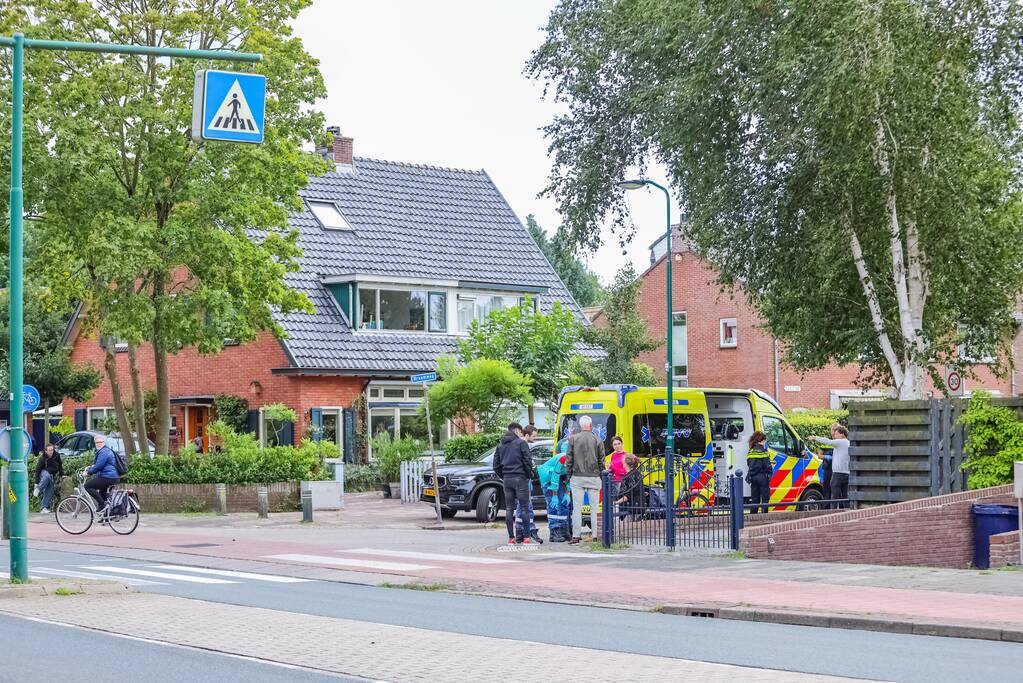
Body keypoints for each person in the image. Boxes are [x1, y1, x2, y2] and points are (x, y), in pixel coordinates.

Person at [565, 415, 605, 544]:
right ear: (591, 425)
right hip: (594, 477)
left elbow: (569, 459)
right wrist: (601, 475)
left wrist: (569, 475)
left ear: (581, 426)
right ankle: (595, 536)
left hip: (577, 477)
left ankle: (576, 536)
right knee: (594, 508)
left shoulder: (573, 439)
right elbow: (601, 461)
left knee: (577, 508)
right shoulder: (598, 440)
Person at [493, 422, 534, 545]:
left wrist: (504, 475)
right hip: (520, 478)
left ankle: (511, 538)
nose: (521, 434)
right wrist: (528, 474)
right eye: (520, 432)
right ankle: (526, 537)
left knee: (509, 509)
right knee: (524, 508)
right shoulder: (521, 443)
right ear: (516, 430)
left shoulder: (500, 446)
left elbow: (495, 465)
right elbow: (527, 461)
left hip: (507, 479)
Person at [513, 424, 543, 545]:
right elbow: (527, 462)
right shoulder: (523, 445)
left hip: (519, 478)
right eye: (533, 436)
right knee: (527, 506)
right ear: (526, 435)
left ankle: (519, 532)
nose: (534, 439)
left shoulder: (516, 444)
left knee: (520, 506)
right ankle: (530, 530)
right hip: (524, 479)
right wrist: (530, 472)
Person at [811, 424, 850, 508]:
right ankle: (847, 512)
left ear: (842, 434)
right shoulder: (848, 443)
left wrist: (815, 438)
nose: (834, 437)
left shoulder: (840, 442)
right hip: (847, 473)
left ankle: (833, 512)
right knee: (845, 496)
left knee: (834, 496)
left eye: (836, 434)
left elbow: (828, 441)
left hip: (837, 474)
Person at [538, 445, 570, 542]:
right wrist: (554, 496)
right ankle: (554, 532)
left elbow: (569, 477)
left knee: (564, 504)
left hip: (559, 477)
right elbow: (554, 477)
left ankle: (563, 530)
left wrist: (567, 493)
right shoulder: (563, 458)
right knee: (553, 505)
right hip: (548, 477)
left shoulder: (577, 459)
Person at [84, 434, 120, 513]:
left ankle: (103, 504)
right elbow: (98, 465)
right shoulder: (103, 451)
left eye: (100, 442)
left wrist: (88, 472)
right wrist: (90, 468)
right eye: (97, 442)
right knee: (102, 493)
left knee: (87, 486)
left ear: (104, 443)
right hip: (111, 476)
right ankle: (105, 515)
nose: (98, 444)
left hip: (108, 477)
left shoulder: (104, 452)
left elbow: (99, 466)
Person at [745, 431, 772, 514]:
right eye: (764, 440)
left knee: (755, 498)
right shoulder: (763, 451)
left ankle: (753, 516)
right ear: (760, 441)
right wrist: (770, 472)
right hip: (762, 477)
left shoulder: (751, 451)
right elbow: (767, 465)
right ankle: (764, 515)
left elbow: (749, 464)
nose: (764, 442)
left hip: (753, 477)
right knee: (765, 498)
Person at [34, 443, 63, 514]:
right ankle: (38, 488)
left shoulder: (57, 455)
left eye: (52, 450)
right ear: (46, 451)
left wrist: (62, 474)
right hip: (44, 472)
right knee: (47, 476)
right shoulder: (43, 458)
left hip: (52, 475)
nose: (51, 452)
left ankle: (43, 508)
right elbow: (37, 470)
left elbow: (60, 465)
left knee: (50, 490)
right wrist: (36, 483)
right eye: (49, 450)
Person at [614, 454, 643, 520]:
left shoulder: (628, 476)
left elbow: (628, 494)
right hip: (639, 506)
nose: (622, 461)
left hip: (631, 508)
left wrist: (616, 502)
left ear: (626, 463)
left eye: (623, 460)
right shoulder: (638, 474)